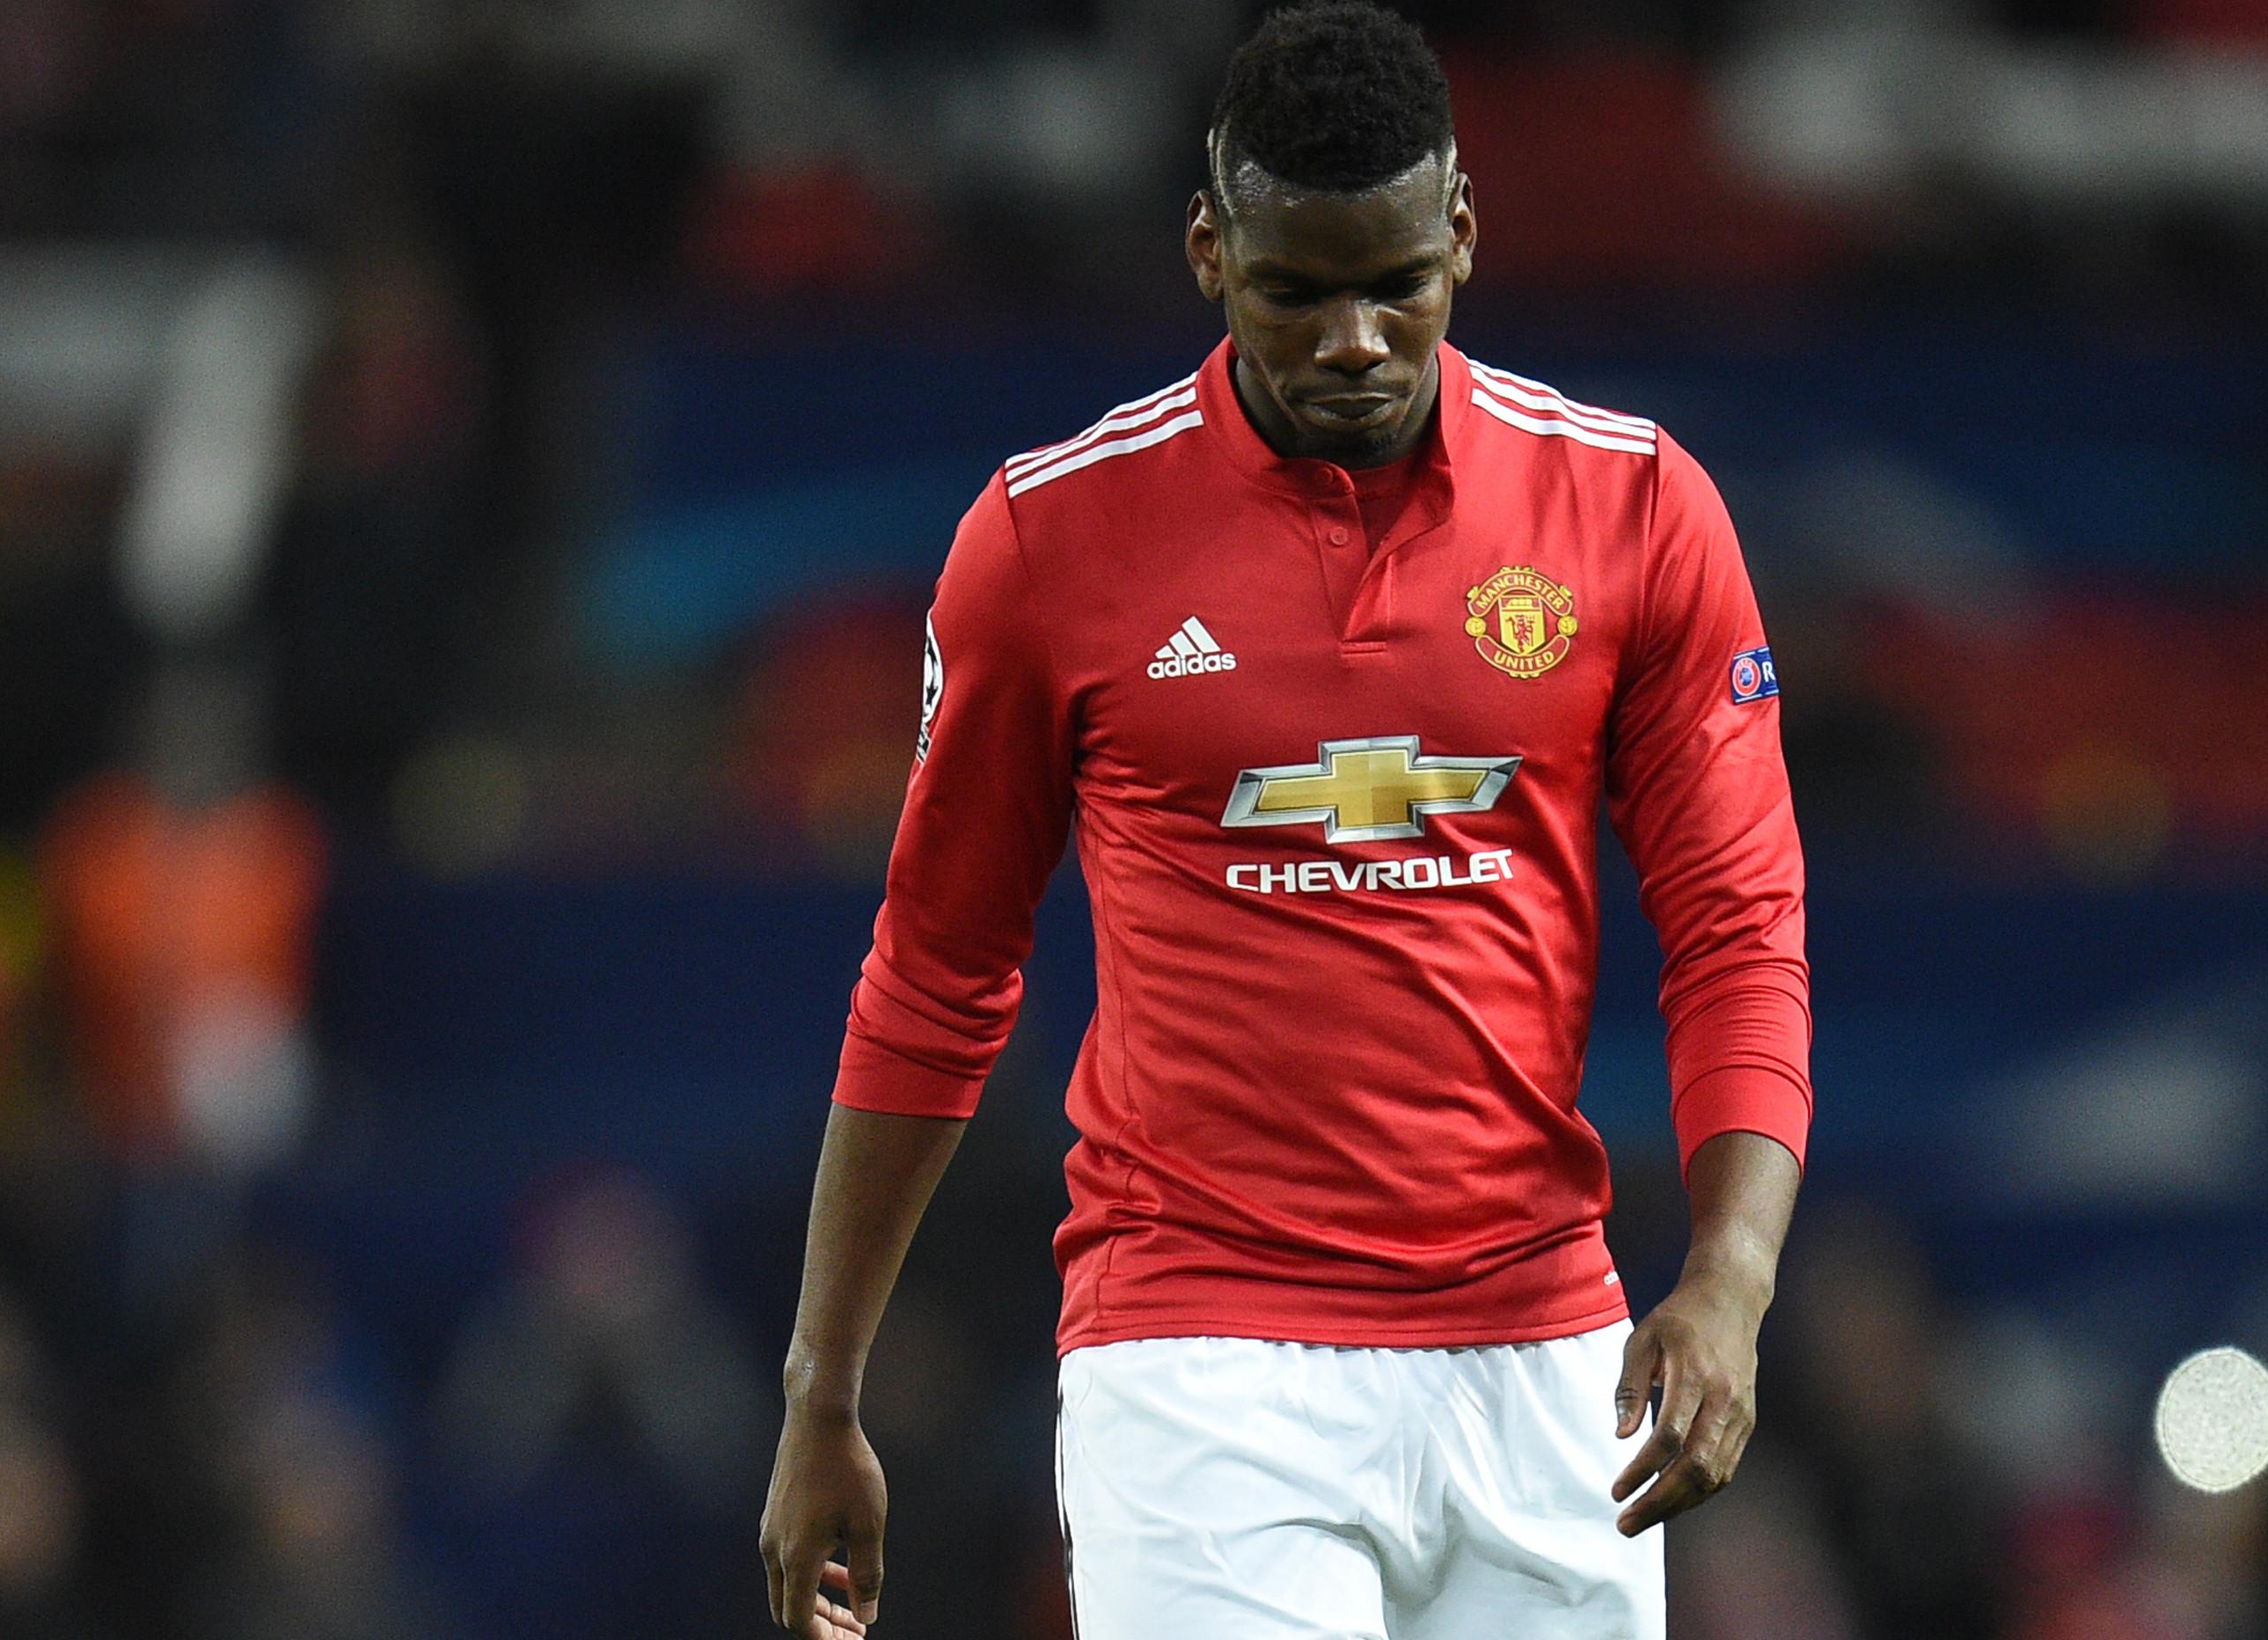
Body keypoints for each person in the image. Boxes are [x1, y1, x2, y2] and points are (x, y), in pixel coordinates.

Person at [758, 6, 1812, 1635]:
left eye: (1398, 284)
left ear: (1464, 232)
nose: (1353, 342)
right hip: (1200, 1365)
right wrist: (823, 1387)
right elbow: (937, 975)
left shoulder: (1635, 510)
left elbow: (1739, 934)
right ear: (1209, 252)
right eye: (1295, 293)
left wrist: (1730, 1286)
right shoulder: (1050, 543)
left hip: (1547, 1361)